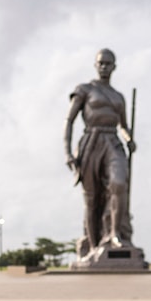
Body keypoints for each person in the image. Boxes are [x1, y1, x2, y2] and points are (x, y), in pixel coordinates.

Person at [63, 48, 136, 259]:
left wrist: (129, 138)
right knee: (92, 199)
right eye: (101, 63)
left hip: (112, 142)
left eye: (108, 63)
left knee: (119, 183)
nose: (104, 67)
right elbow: (69, 121)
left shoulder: (118, 97)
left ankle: (115, 234)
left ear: (114, 67)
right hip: (91, 143)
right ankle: (93, 245)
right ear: (96, 65)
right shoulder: (85, 89)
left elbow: (124, 126)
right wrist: (68, 152)